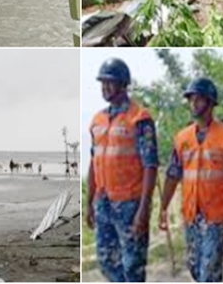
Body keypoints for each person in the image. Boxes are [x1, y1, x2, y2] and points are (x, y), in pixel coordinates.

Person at [159, 77, 223, 282]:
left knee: (209, 273)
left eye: (198, 99)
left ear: (210, 102)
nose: (193, 104)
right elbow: (172, 174)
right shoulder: (182, 138)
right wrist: (163, 208)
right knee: (195, 268)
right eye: (191, 99)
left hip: (215, 216)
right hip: (191, 215)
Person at [86, 58, 158, 282]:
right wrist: (88, 202)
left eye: (110, 82)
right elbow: (93, 162)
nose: (105, 88)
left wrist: (144, 209)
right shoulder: (97, 120)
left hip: (130, 205)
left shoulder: (139, 119)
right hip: (104, 203)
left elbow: (150, 166)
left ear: (123, 84)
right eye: (102, 83)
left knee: (133, 265)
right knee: (107, 262)